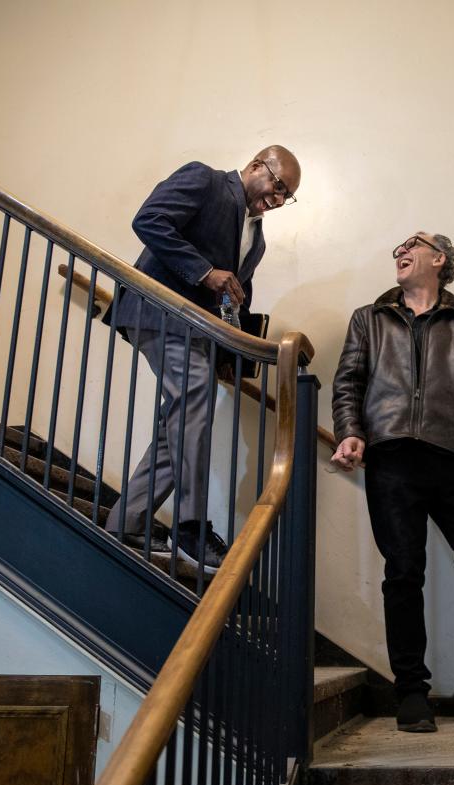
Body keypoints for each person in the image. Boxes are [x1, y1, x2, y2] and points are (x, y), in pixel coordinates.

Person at [330, 230, 454, 732]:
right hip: (392, 458)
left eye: (411, 244)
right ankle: (411, 691)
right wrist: (351, 432)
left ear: (439, 259)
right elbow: (348, 382)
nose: (399, 250)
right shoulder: (368, 319)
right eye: (397, 247)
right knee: (404, 572)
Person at [105, 146, 301, 573]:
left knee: (181, 419)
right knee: (196, 398)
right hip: (158, 313)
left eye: (288, 196)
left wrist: (230, 350)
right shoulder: (205, 180)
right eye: (279, 186)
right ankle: (190, 524)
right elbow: (149, 220)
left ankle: (128, 520)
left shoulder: (258, 238)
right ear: (255, 167)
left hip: (200, 332)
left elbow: (232, 294)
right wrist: (203, 271)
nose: (280, 199)